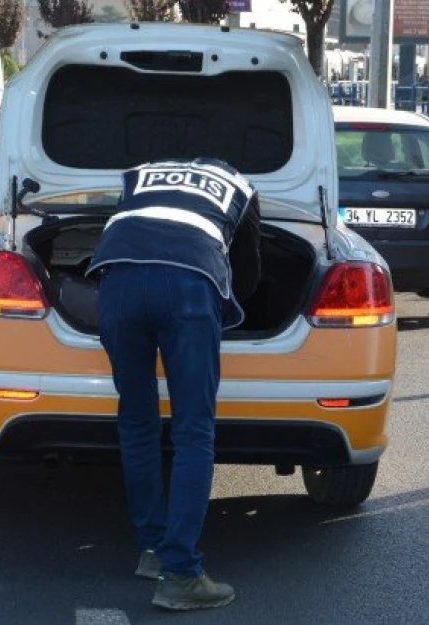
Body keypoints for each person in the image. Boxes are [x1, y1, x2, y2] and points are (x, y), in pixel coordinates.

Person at [86, 158, 261, 611]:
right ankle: (181, 572)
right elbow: (250, 271)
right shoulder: (239, 187)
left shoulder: (139, 173)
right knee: (193, 431)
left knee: (138, 420)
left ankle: (152, 548)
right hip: (187, 283)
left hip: (117, 279)